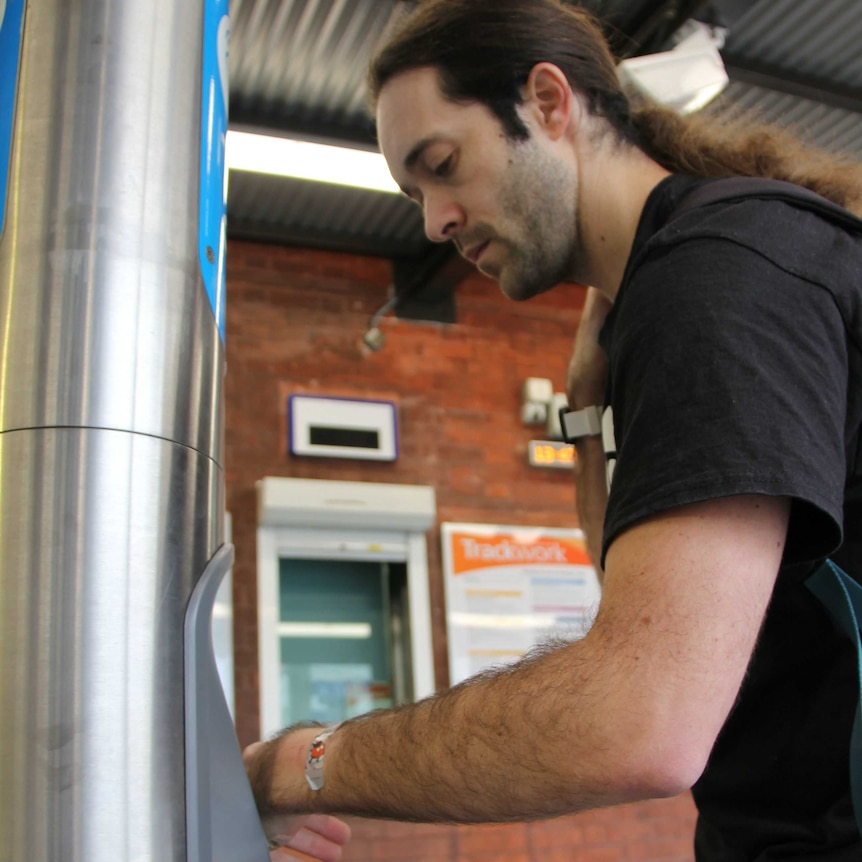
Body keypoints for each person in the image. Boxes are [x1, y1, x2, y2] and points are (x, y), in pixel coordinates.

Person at [243, 1, 862, 858]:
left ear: (547, 101)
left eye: (443, 165)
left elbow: (639, 720)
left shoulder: (723, 277)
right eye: (416, 193)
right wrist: (583, 408)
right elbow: (634, 605)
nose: (434, 221)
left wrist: (300, 765)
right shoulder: (676, 285)